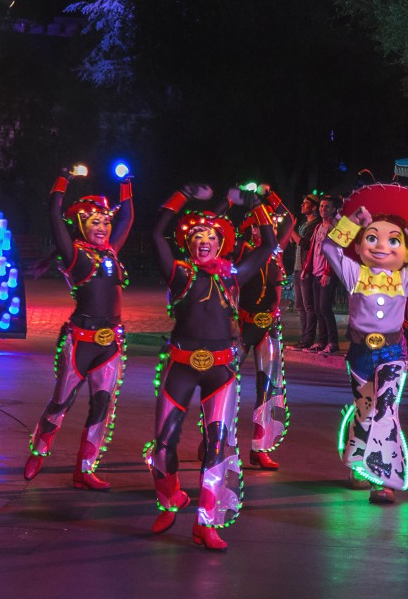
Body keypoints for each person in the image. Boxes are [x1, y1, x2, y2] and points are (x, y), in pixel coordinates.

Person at [147, 184, 275, 550]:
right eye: (197, 235)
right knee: (164, 443)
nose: (204, 239)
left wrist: (258, 205)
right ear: (188, 243)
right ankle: (170, 499)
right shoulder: (180, 274)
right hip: (181, 366)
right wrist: (182, 195)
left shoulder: (233, 276)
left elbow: (267, 245)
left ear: (221, 243)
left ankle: (206, 522)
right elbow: (158, 232)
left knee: (217, 446)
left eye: (211, 236)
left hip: (222, 371)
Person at [324, 183, 408, 503]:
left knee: (386, 412)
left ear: (404, 248)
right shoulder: (354, 273)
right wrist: (351, 221)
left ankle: (384, 481)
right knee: (365, 411)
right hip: (359, 352)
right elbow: (329, 248)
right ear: (361, 245)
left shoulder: (406, 277)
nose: (382, 245)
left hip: (393, 353)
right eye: (372, 237)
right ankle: (357, 463)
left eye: (393, 239)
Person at [23, 169, 133, 490]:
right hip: (79, 343)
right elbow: (54, 211)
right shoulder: (74, 255)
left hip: (110, 343)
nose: (102, 227)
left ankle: (85, 469)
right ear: (82, 226)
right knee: (61, 402)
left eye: (105, 221)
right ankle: (39, 452)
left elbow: (127, 217)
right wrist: (62, 179)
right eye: (94, 222)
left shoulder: (112, 251)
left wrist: (126, 182)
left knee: (102, 405)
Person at [234, 189, 295, 471]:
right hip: (242, 325)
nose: (267, 229)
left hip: (268, 326)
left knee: (267, 389)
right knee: (223, 383)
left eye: (268, 225)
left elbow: (290, 220)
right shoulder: (241, 251)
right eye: (261, 225)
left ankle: (259, 448)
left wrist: (270, 196)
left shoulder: (276, 250)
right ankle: (211, 440)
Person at [304, 195, 341, 355]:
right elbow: (313, 249)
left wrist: (329, 272)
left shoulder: (335, 227)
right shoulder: (319, 226)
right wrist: (306, 269)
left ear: (333, 209)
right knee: (318, 309)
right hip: (315, 272)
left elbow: (337, 253)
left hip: (327, 273)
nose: (322, 209)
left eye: (326, 207)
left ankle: (333, 342)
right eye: (321, 206)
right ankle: (322, 341)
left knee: (325, 308)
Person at [288, 194, 319, 350]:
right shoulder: (303, 224)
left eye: (305, 203)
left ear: (313, 207)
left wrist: (291, 229)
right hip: (297, 267)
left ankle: (308, 339)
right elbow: (294, 241)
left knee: (308, 306)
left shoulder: (315, 225)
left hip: (307, 268)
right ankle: (303, 338)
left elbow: (304, 243)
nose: (302, 205)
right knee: (300, 306)